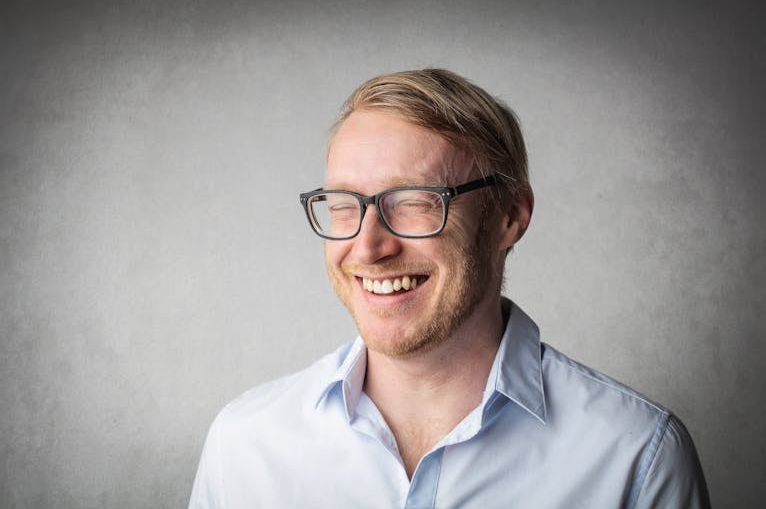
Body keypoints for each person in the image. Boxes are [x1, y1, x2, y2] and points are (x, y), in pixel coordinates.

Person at [188, 68, 710, 508]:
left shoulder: (636, 456)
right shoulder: (244, 447)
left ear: (509, 216)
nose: (368, 247)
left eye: (413, 201)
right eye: (345, 204)